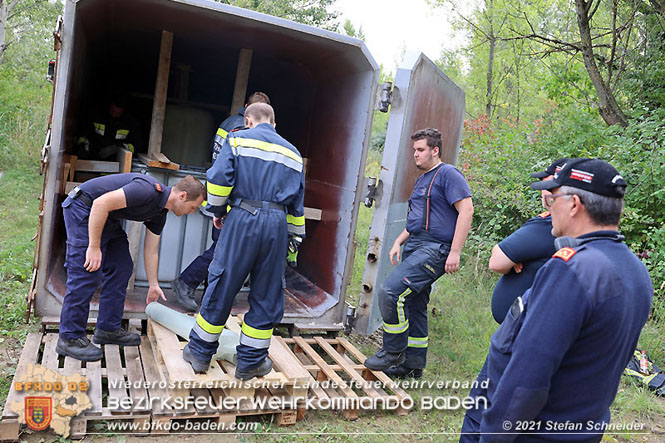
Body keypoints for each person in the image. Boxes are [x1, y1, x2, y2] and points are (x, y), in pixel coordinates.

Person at [460, 158, 652, 442]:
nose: (549, 205)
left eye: (555, 197)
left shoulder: (571, 269)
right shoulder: (636, 271)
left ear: (574, 204)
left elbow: (529, 373)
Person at [183, 103, 305, 380]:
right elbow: (297, 204)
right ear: (274, 123)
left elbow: (218, 180)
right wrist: (295, 237)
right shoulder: (293, 153)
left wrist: (217, 211)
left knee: (223, 284)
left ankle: (200, 353)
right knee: (267, 292)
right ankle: (250, 362)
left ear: (248, 121)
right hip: (277, 224)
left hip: (243, 217)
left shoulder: (237, 139)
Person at [56, 173, 205, 362]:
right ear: (183, 196)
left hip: (106, 217)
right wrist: (93, 247)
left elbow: (151, 250)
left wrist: (153, 284)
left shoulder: (160, 213)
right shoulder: (147, 190)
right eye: (193, 208)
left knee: (122, 266)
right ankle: (69, 338)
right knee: (87, 271)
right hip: (84, 208)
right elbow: (100, 204)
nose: (191, 212)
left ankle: (108, 329)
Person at [364, 128, 474, 379]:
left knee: (391, 291)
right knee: (415, 303)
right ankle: (412, 365)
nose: (415, 154)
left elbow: (466, 210)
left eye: (421, 150)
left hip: (435, 249)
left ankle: (393, 351)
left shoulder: (448, 174)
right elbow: (417, 219)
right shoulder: (423, 179)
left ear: (435, 150)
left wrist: (455, 252)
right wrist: (398, 242)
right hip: (415, 244)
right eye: (414, 150)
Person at [171, 91, 271, 312]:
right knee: (222, 250)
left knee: (222, 248)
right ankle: (186, 282)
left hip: (221, 198)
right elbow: (236, 168)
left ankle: (211, 292)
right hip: (230, 201)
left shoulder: (227, 123)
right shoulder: (242, 130)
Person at [488, 159, 567, 323]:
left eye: (548, 185)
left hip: (528, 325)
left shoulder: (549, 225)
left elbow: (496, 262)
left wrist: (515, 257)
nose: (543, 191)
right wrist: (517, 255)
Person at [77, 93, 143, 161]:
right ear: (109, 107)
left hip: (116, 162)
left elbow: (137, 146)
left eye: (118, 113)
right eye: (112, 111)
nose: (114, 115)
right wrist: (82, 147)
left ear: (124, 111)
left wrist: (117, 148)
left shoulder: (131, 123)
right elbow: (83, 134)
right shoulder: (96, 116)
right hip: (92, 159)